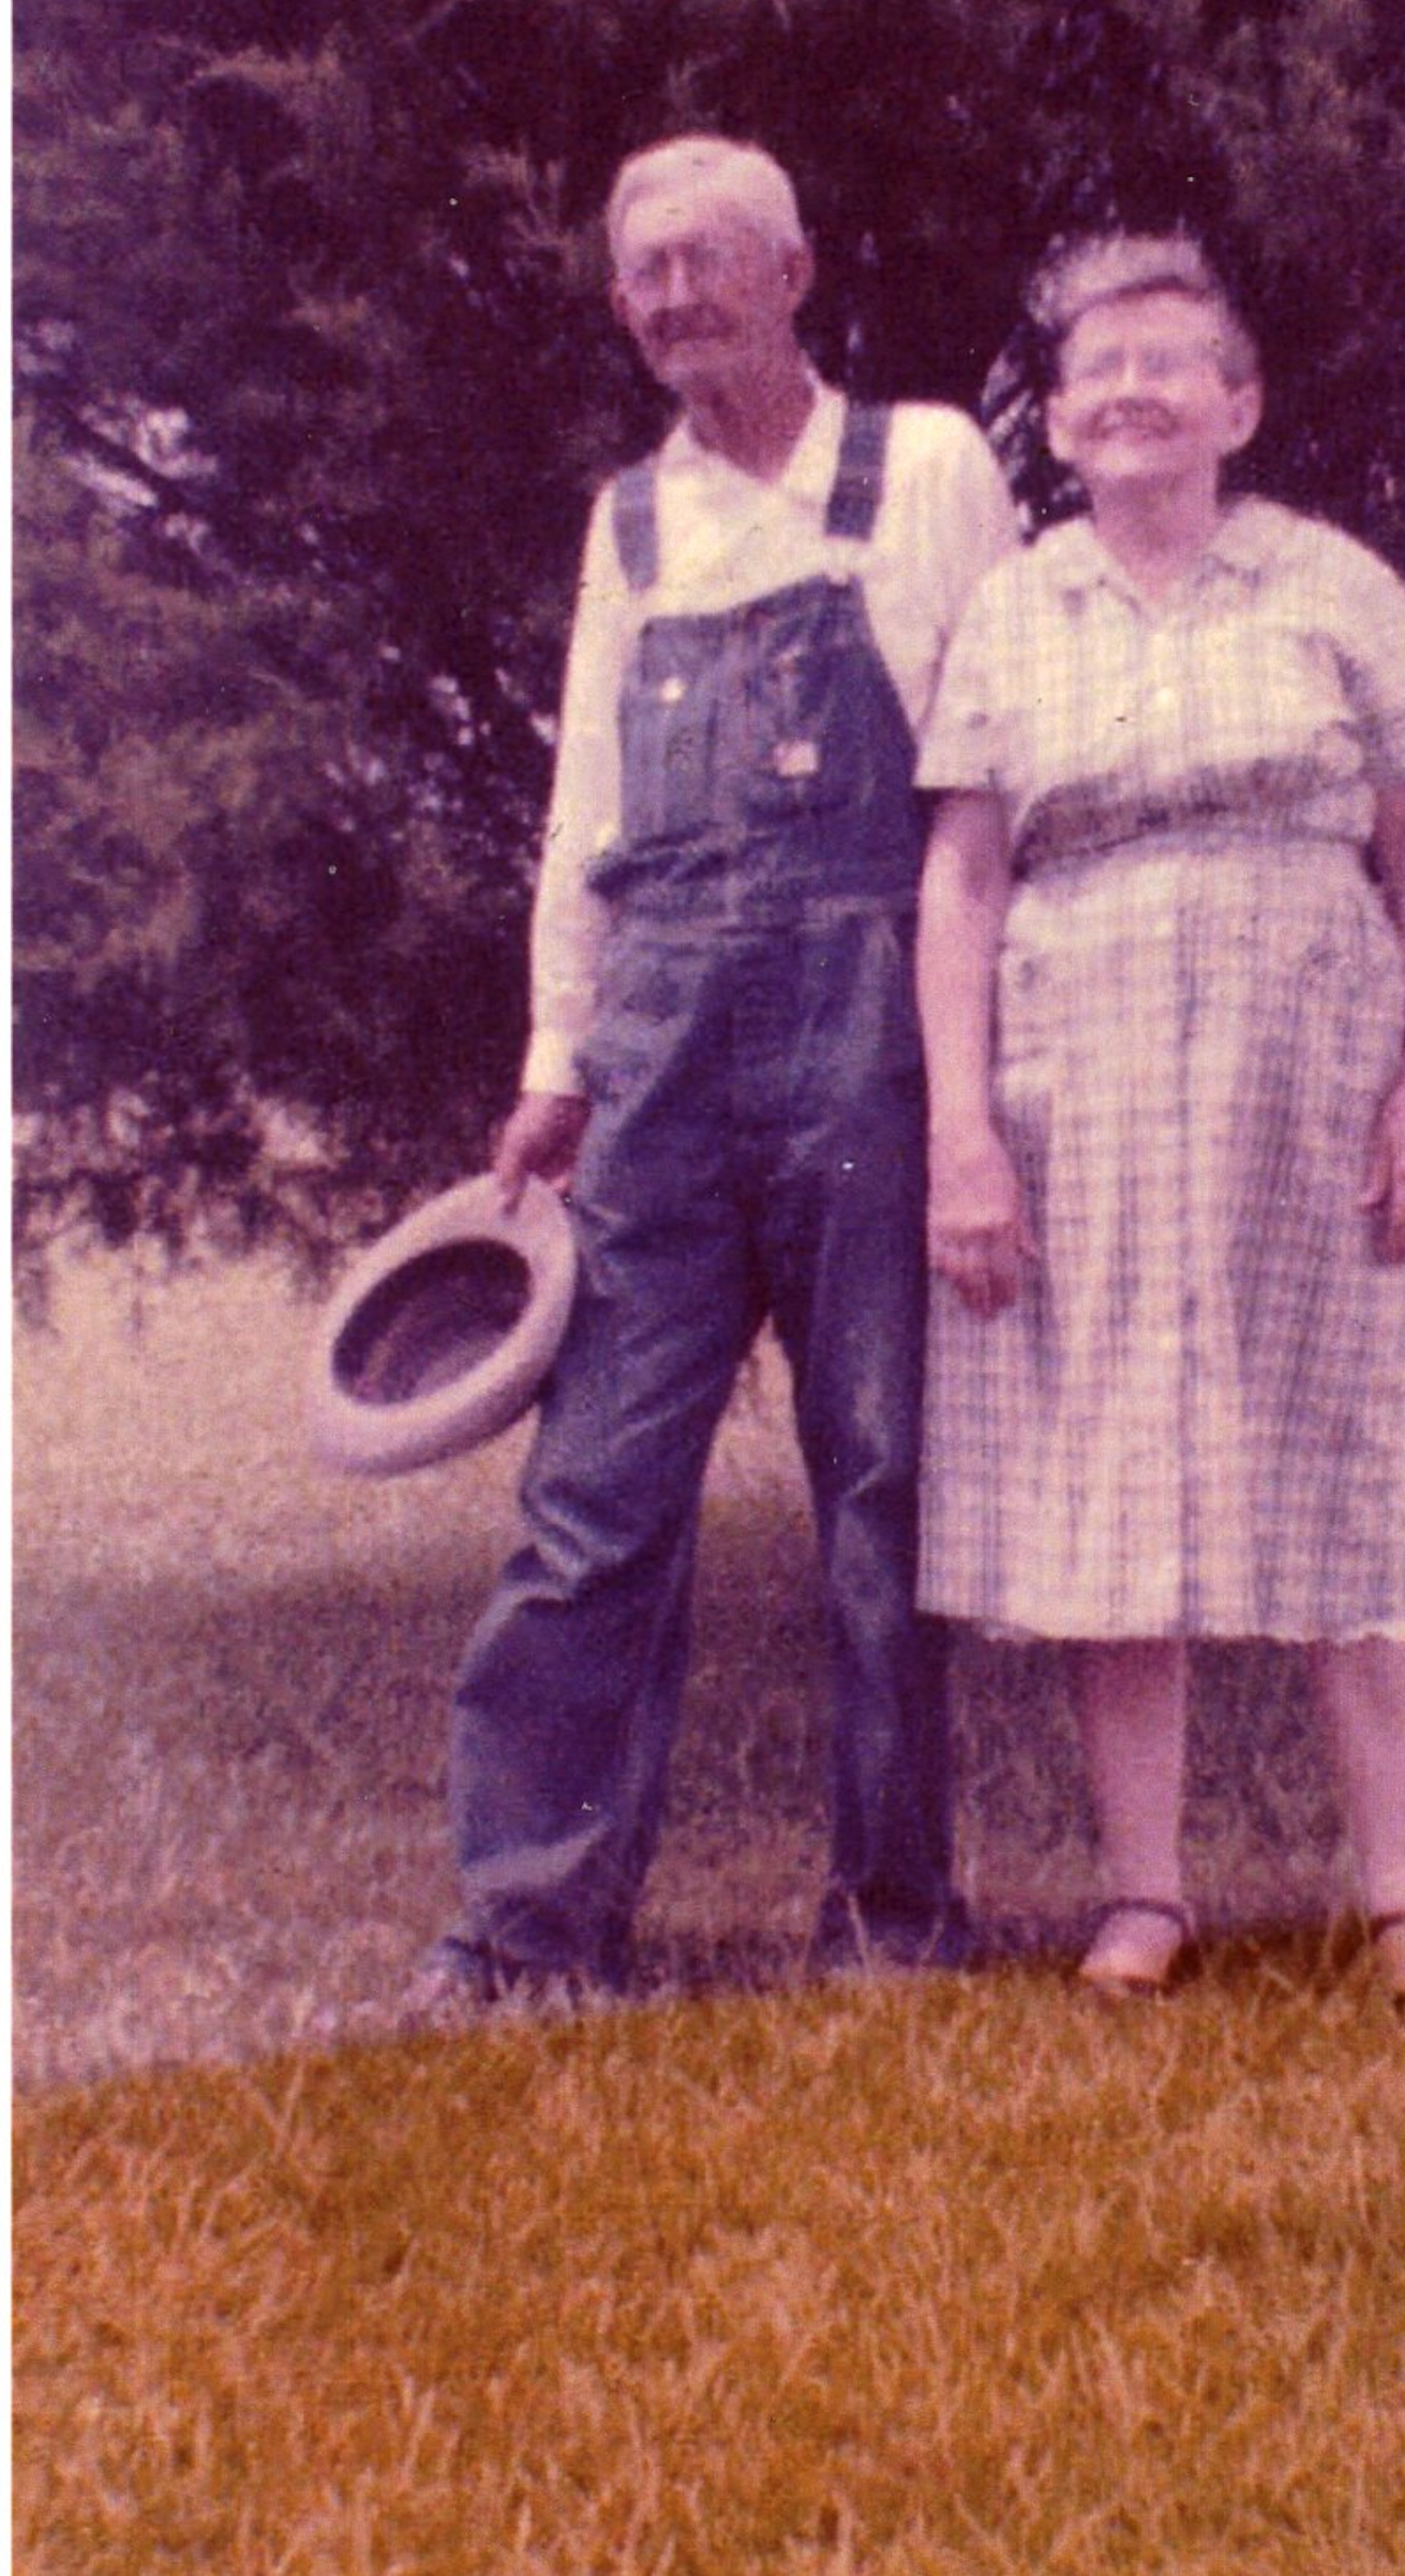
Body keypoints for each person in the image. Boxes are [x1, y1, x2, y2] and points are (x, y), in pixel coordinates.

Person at [417, 137, 1019, 2007]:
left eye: (712, 260)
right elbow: (583, 809)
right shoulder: (629, 523)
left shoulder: (926, 467)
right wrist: (556, 1058)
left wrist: (983, 1081)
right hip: (661, 1050)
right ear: (622, 307)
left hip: (870, 1026)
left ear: (795, 271)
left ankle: (895, 1915)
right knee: (593, 1489)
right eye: (647, 273)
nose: (678, 297)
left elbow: (998, 778)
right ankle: (528, 1928)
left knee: (884, 1485)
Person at [914, 233, 1405, 2010]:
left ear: (1238, 405)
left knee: (1343, 1451)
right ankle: (1145, 1891)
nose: (1132, 390)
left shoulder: (1330, 581)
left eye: (1170, 360)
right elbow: (962, 881)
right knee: (1108, 1464)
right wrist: (962, 1131)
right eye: (1097, 368)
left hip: (1303, 1076)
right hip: (1076, 1082)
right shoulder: (1016, 608)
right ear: (1056, 423)